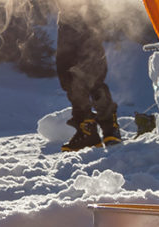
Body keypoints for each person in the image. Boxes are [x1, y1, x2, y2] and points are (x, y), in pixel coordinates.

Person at [56, 8, 122, 151]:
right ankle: (104, 128)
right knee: (83, 76)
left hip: (79, 15)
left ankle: (93, 131)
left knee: (75, 75)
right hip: (80, 15)